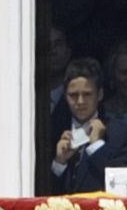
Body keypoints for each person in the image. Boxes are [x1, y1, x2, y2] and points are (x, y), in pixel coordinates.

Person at [45, 63, 117, 194]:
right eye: (73, 95)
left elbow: (121, 183)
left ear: (100, 94)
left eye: (87, 94)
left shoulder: (121, 133)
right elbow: (42, 190)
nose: (80, 101)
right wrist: (59, 162)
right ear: (65, 96)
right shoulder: (51, 132)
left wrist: (97, 146)